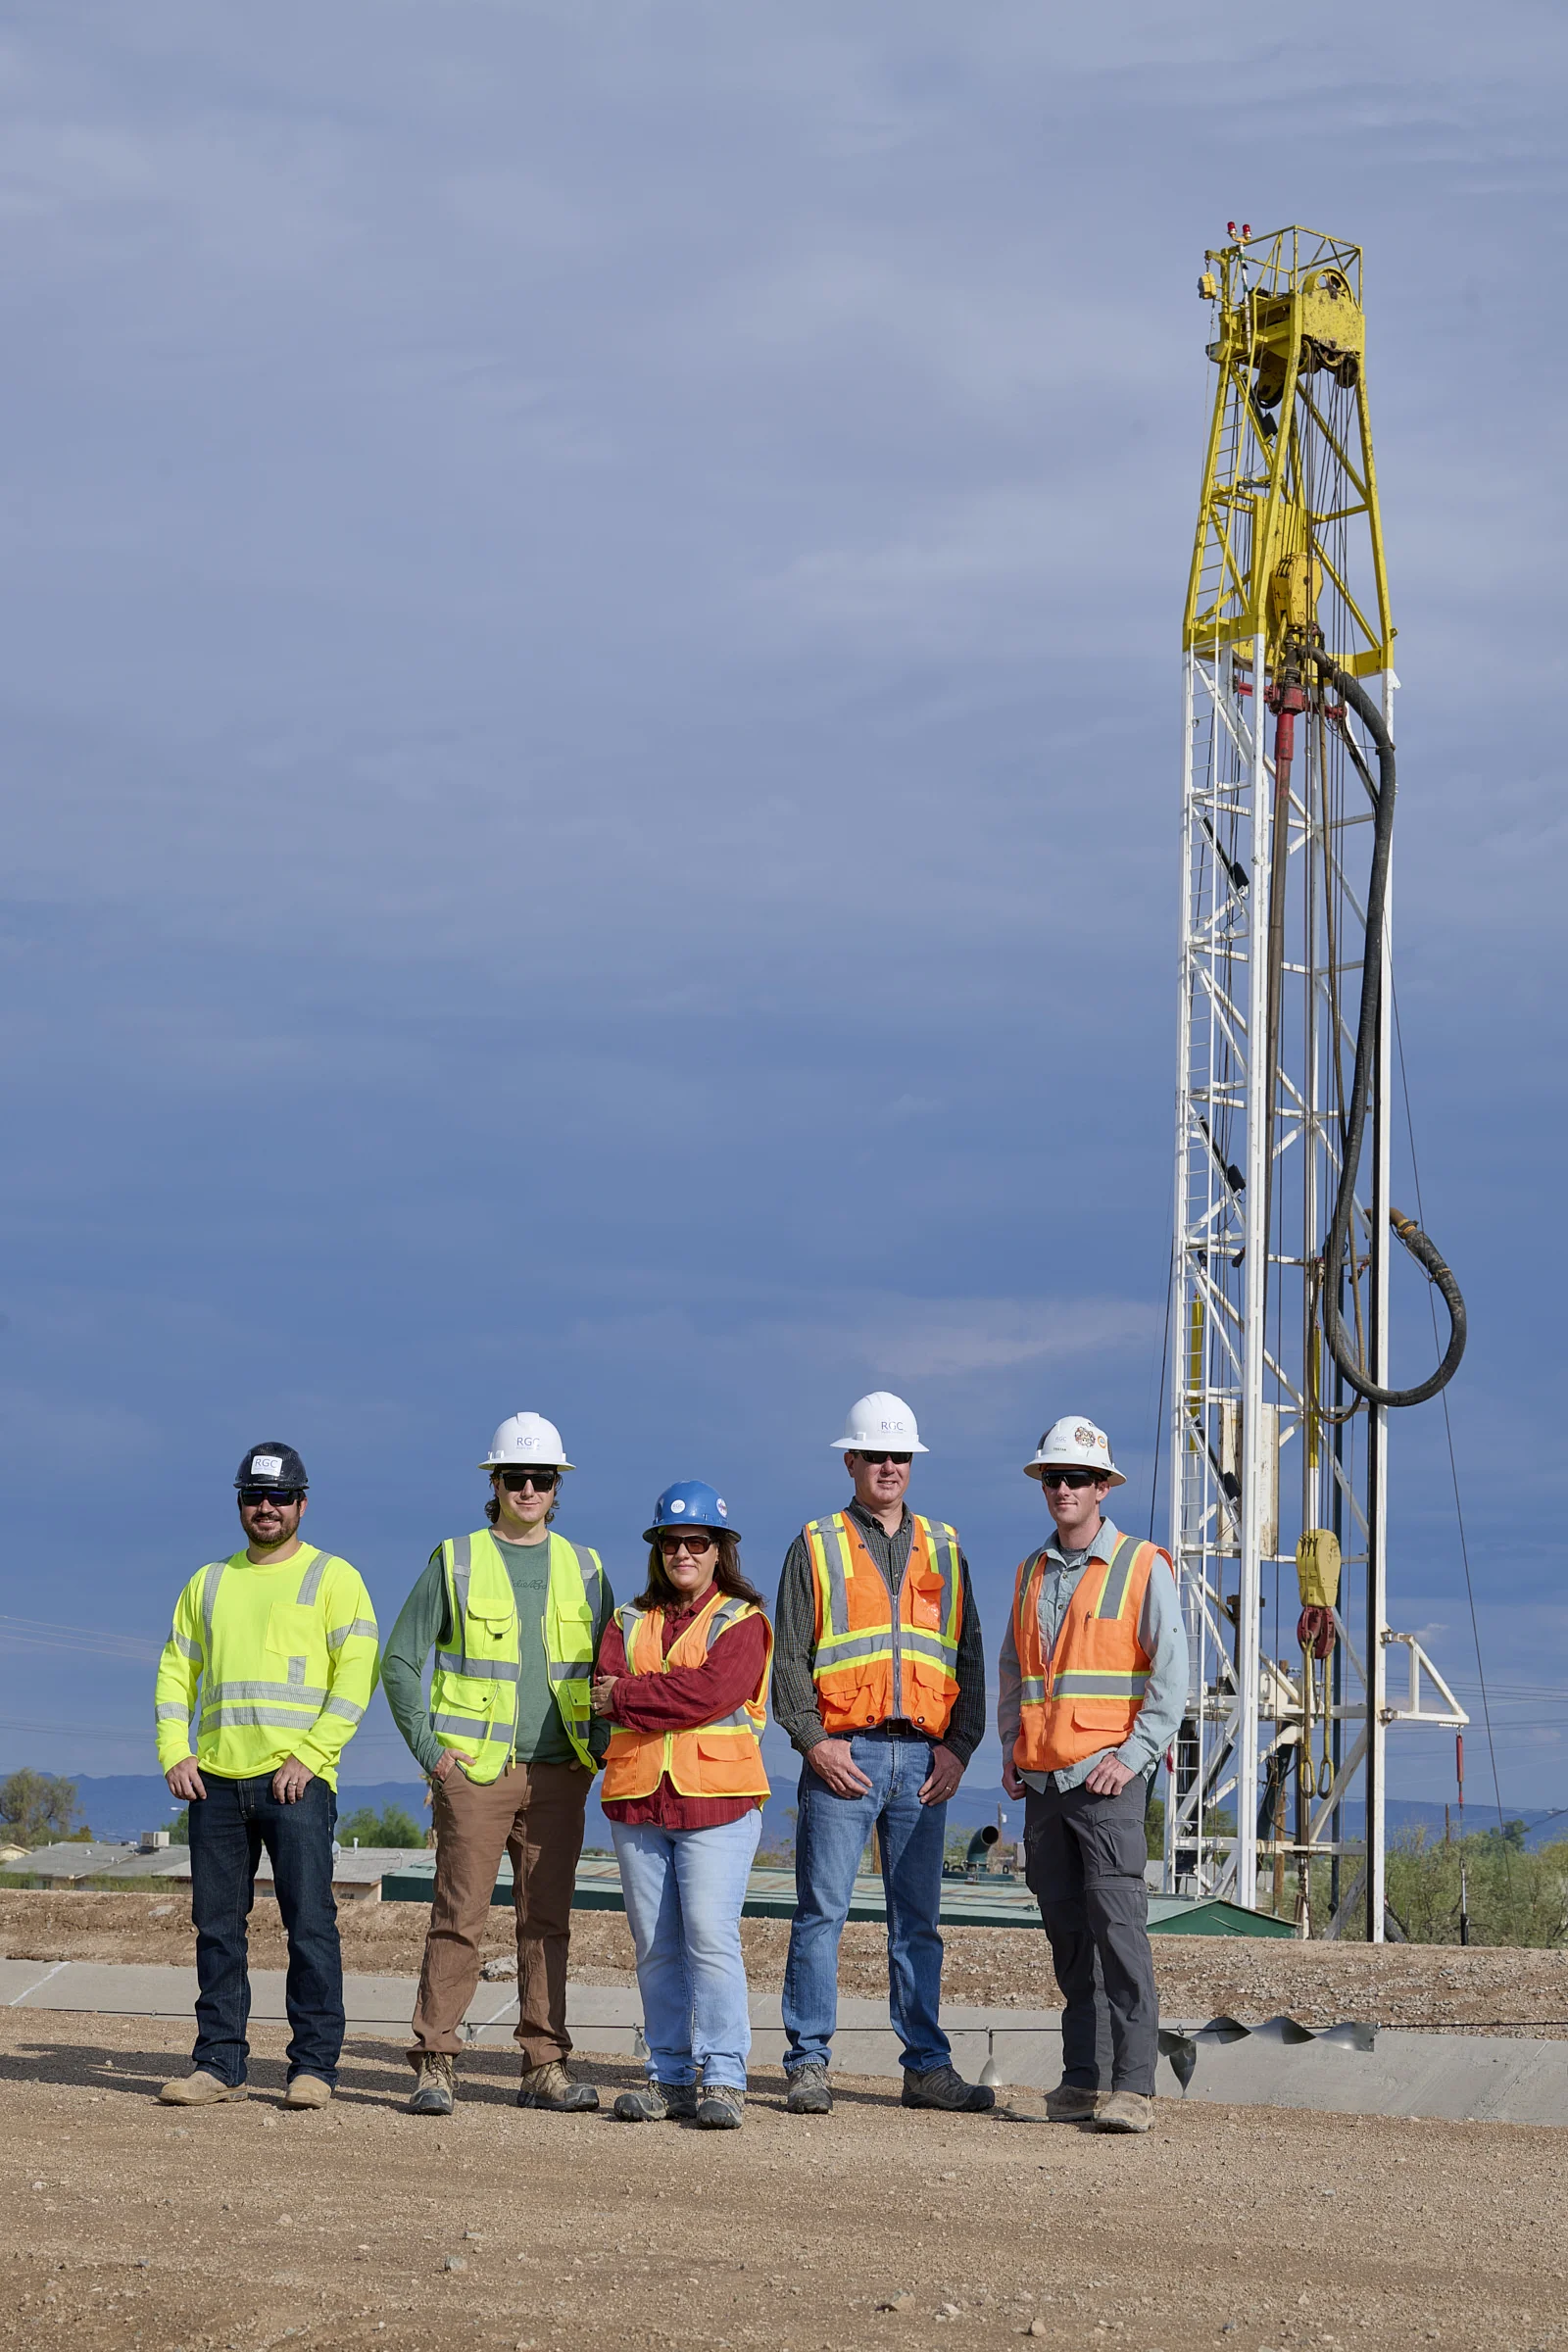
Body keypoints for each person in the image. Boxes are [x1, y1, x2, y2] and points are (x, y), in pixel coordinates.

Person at [382, 1412, 613, 2117]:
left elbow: (612, 1669)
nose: (529, 1488)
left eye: (541, 1478)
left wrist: (598, 1755)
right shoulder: (454, 1559)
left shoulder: (586, 1566)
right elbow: (399, 1663)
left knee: (548, 1922)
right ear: (496, 1481)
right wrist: (433, 1755)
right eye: (516, 1477)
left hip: (560, 1776)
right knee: (459, 1918)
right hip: (475, 1776)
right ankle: (435, 2063)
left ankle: (544, 2065)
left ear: (556, 1486)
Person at [773, 1391, 991, 2117]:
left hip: (923, 1761)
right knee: (821, 1915)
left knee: (918, 1923)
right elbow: (791, 1661)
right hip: (845, 1758)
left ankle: (926, 2068)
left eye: (900, 1456)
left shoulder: (946, 1546)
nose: (890, 1467)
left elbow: (969, 1659)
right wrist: (814, 1741)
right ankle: (808, 2063)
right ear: (852, 1461)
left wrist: (960, 1749)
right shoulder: (817, 1543)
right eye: (877, 1455)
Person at [153, 1444, 379, 2109]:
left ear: (302, 1504)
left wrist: (310, 1755)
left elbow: (354, 1678)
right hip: (215, 1782)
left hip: (297, 1782)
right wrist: (174, 1748)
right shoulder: (208, 1582)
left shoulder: (335, 1579)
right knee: (217, 1926)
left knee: (310, 1924)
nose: (267, 1508)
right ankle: (218, 2064)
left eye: (280, 1498)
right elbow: (176, 1671)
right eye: (255, 1496)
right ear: (240, 1503)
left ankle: (314, 2067)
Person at [997, 1415, 1188, 2135]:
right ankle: (1083, 2080)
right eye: (1054, 1477)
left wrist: (1130, 1758)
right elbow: (1018, 1672)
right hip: (1044, 1786)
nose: (1064, 1489)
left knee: (1120, 1934)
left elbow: (1172, 1681)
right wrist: (1013, 1748)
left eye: (1078, 1478)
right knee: (1070, 1939)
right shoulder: (1028, 1573)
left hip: (1107, 1783)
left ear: (1105, 1488)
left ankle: (1133, 2086)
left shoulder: (1144, 1567)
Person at [592, 1481, 772, 2131]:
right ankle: (668, 2075)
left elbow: (710, 1694)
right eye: (673, 1543)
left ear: (720, 1550)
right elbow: (600, 1687)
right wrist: (636, 1693)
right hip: (640, 1801)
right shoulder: (626, 1620)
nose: (684, 1553)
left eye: (698, 1542)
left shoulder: (743, 1620)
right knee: (656, 1946)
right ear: (659, 1550)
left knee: (710, 1938)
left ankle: (724, 2076)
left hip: (718, 1804)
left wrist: (628, 1696)